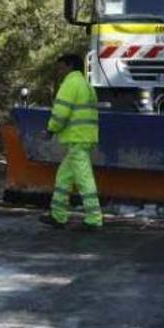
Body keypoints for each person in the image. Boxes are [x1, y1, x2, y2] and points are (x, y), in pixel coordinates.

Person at [39, 54, 103, 231]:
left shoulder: (70, 83)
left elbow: (61, 112)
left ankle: (94, 219)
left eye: (60, 67)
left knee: (84, 179)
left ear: (69, 66)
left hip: (76, 138)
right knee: (64, 177)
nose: (59, 71)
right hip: (84, 137)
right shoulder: (86, 85)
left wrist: (51, 130)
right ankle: (58, 216)